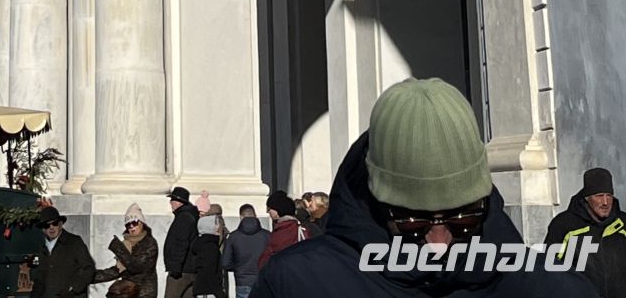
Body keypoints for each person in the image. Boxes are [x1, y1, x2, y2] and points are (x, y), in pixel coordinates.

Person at [251, 76, 595, 296]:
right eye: (413, 221)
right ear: (374, 199)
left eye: (462, 217)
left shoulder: (551, 287)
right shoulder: (297, 284)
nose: (439, 243)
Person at [545, 168, 626, 295]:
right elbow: (550, 268)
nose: (605, 202)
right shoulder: (564, 225)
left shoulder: (622, 224)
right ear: (587, 198)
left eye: (609, 196)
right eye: (599, 196)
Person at [94, 205, 159, 298]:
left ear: (141, 223)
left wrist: (118, 248)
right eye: (128, 224)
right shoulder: (126, 244)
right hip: (127, 293)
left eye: (134, 222)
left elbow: (136, 267)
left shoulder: (150, 243)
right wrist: (89, 276)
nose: (131, 226)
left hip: (144, 294)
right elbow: (117, 271)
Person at [35, 209, 96, 298]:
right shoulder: (42, 248)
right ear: (43, 229)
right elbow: (40, 279)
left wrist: (72, 289)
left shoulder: (74, 242)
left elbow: (88, 268)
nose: (51, 227)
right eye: (47, 225)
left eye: (55, 223)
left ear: (60, 224)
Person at [220, 204, 269, 298]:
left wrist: (238, 267)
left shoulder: (233, 237)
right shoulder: (267, 236)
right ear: (255, 215)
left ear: (241, 217)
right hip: (262, 280)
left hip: (242, 281)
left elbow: (225, 263)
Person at [163, 187, 200, 298]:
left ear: (178, 202)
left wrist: (175, 267)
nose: (170, 203)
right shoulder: (190, 215)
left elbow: (180, 244)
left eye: (172, 200)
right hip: (188, 269)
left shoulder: (184, 217)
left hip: (181, 272)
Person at [257, 196, 304, 270]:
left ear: (277, 211)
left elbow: (265, 260)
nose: (267, 212)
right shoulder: (300, 228)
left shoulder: (282, 231)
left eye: (269, 209)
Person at [192, 212, 223, 298]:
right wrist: (219, 293)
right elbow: (209, 272)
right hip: (209, 291)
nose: (219, 227)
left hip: (202, 289)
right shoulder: (210, 247)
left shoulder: (202, 244)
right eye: (216, 224)